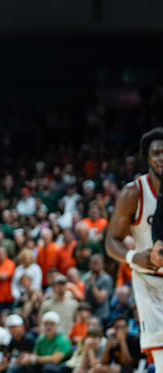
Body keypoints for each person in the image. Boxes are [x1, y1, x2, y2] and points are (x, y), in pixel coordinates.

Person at [105, 127, 163, 373]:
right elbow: (111, 242)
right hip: (149, 281)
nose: (162, 158)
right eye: (157, 153)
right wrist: (132, 257)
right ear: (147, 157)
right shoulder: (133, 192)